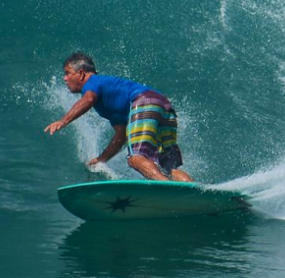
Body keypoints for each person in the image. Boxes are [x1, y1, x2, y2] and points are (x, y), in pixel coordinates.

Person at [44, 52, 193, 182]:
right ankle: (190, 189)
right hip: (163, 105)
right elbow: (121, 135)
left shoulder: (92, 83)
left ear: (81, 73)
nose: (65, 78)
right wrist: (102, 159)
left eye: (67, 73)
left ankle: (165, 189)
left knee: (136, 158)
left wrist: (63, 121)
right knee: (169, 167)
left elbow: (88, 100)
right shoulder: (110, 99)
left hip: (144, 102)